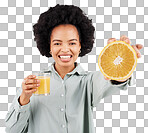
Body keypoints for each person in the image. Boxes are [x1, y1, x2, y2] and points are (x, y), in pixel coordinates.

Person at [5, 4, 143, 133]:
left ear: (80, 46)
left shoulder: (89, 82)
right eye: (57, 43)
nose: (65, 49)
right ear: (49, 47)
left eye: (72, 43)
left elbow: (112, 78)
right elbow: (12, 130)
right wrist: (24, 98)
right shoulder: (34, 83)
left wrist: (124, 58)